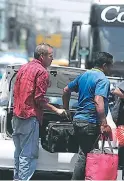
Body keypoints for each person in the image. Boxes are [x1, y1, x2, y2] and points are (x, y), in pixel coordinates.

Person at [12, 43, 67, 181]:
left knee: (18, 153)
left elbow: (15, 91)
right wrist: (57, 110)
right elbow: (39, 99)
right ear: (42, 56)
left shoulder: (24, 67)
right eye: (50, 56)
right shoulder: (42, 72)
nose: (52, 59)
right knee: (28, 155)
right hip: (30, 116)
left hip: (16, 116)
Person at [62, 52, 113, 180]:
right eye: (110, 66)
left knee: (86, 154)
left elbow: (65, 90)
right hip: (90, 122)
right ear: (104, 65)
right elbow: (98, 100)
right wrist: (104, 123)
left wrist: (66, 109)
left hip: (78, 120)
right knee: (86, 155)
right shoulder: (102, 79)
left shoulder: (84, 75)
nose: (111, 69)